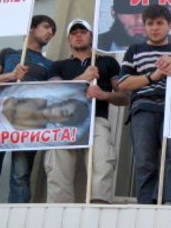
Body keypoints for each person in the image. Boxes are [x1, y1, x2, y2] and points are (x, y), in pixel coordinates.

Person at [119, 4, 171, 205]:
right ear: (145, 27)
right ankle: (146, 205)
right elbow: (123, 84)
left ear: (169, 25)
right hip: (144, 108)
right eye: (150, 23)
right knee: (145, 160)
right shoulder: (135, 50)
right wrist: (152, 76)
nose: (155, 27)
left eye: (159, 23)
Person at [0, 15, 56, 204]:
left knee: (20, 175)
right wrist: (12, 75)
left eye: (52, 30)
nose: (50, 32)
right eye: (46, 27)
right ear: (32, 29)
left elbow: (55, 93)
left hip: (29, 122)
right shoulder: (8, 53)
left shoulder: (50, 65)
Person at [44, 18, 128, 203]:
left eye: (83, 32)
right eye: (74, 33)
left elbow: (124, 97)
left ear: (91, 36)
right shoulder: (58, 65)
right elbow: (55, 94)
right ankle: (61, 216)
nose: (78, 35)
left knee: (102, 164)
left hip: (96, 118)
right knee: (58, 171)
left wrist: (104, 95)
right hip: (64, 121)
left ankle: (99, 211)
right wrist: (84, 78)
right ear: (68, 40)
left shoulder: (107, 62)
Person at [98, 0, 171, 51]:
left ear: (168, 12)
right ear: (113, 12)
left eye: (151, 13)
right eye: (130, 11)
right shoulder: (97, 44)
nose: (140, 20)